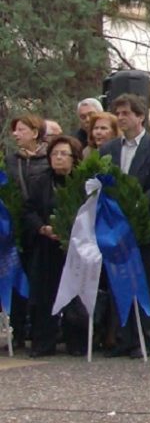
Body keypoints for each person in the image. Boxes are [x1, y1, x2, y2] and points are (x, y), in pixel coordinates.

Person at [100, 93, 150, 358]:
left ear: (140, 117)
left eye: (126, 113)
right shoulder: (108, 150)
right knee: (119, 280)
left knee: (143, 281)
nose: (121, 118)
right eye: (118, 114)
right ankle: (122, 337)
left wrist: (138, 202)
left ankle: (144, 337)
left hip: (143, 225)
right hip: (116, 227)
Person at [23, 135, 85, 357]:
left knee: (74, 293)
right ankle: (43, 341)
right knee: (45, 294)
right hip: (46, 245)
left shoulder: (82, 181)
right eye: (54, 154)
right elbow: (28, 210)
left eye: (63, 154)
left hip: (74, 247)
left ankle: (76, 341)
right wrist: (42, 228)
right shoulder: (39, 180)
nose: (58, 158)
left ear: (74, 157)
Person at [5, 114, 50, 348]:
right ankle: (18, 330)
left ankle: (39, 329)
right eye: (15, 130)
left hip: (41, 225)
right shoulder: (11, 160)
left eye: (21, 129)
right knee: (16, 278)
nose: (16, 134)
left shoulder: (47, 158)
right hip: (16, 227)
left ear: (35, 132)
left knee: (39, 278)